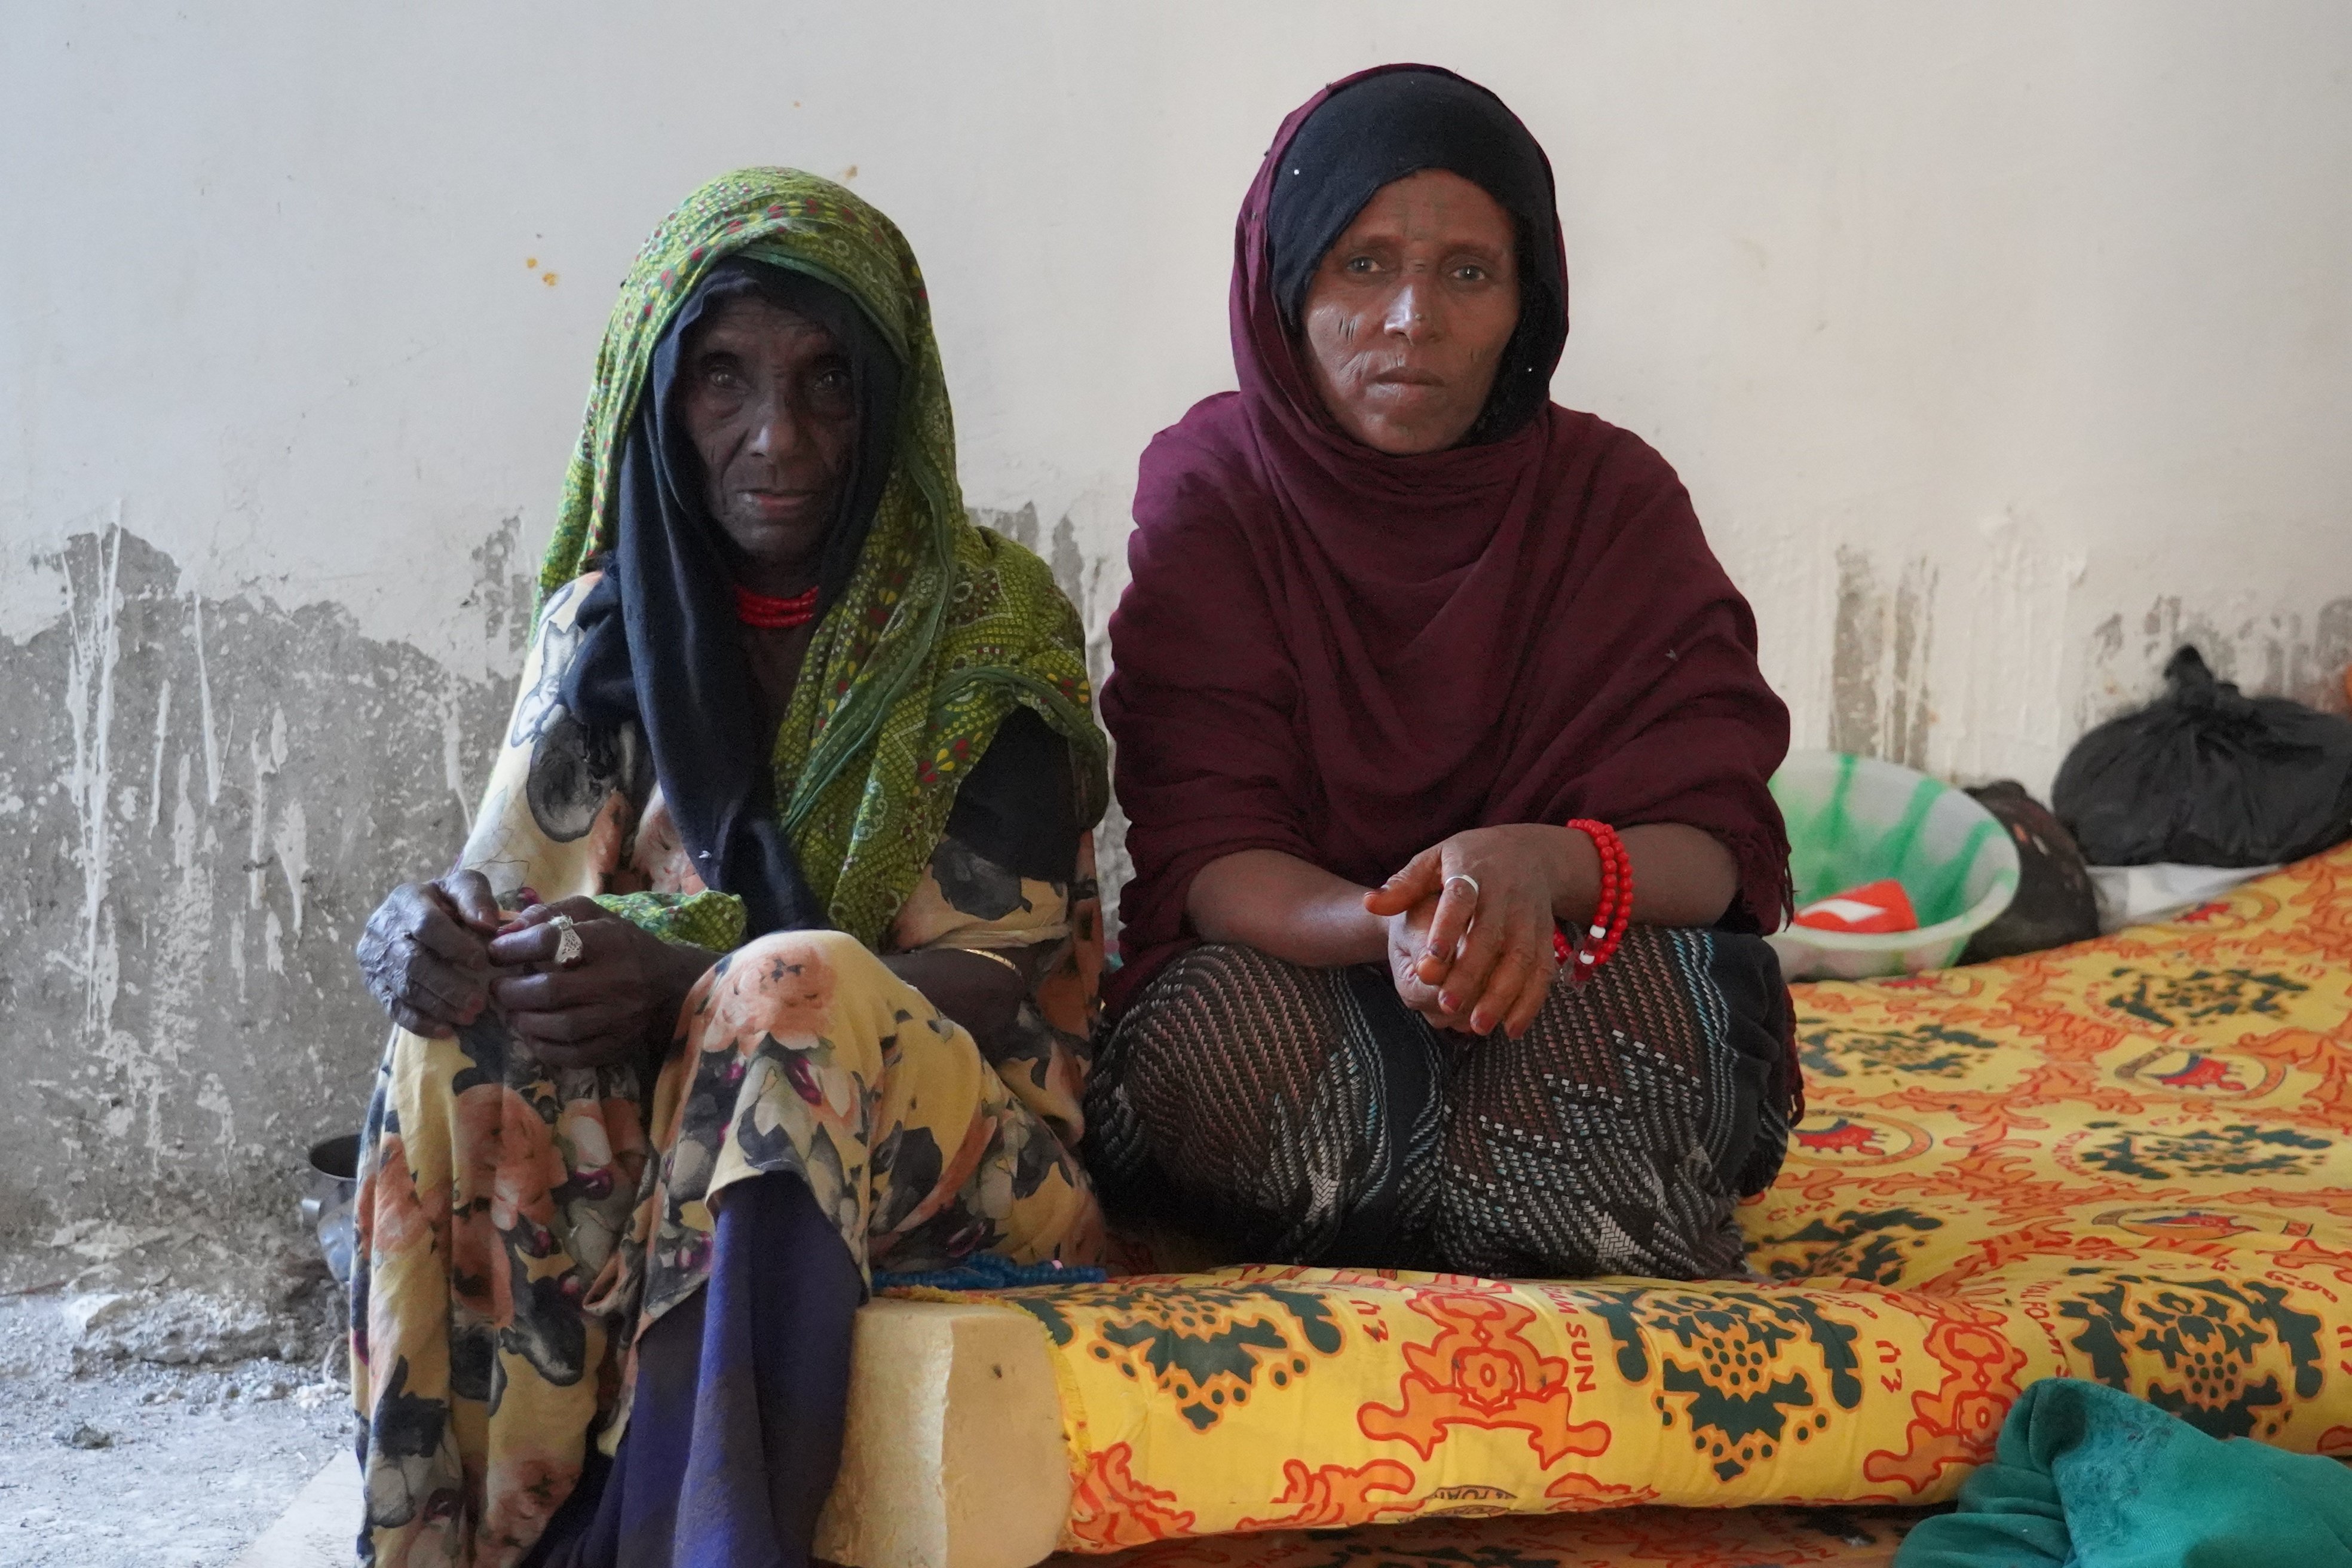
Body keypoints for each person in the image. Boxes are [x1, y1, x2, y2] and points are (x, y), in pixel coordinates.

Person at [347, 169, 1110, 1568]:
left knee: (788, 988)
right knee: (450, 1041)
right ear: (656, 399)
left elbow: (992, 994)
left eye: (829, 383)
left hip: (969, 1167)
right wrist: (426, 934)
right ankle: (470, 1549)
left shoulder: (986, 628)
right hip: (671, 1148)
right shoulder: (605, 624)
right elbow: (512, 901)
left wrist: (695, 981)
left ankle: (682, 1543)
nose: (781, 437)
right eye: (723, 380)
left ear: (891, 399)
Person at [1086, 66, 1800, 1284]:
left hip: (1563, 973)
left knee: (1662, 1013)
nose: (1413, 319)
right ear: (1287, 281)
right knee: (1218, 1045)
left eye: (1468, 273)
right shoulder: (1218, 489)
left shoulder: (1609, 499)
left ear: (1528, 301)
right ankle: (1554, 1220)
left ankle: (1408, 1213)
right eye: (1364, 265)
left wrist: (1542, 865)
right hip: (1310, 973)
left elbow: (1717, 844)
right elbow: (1208, 862)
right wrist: (1402, 925)